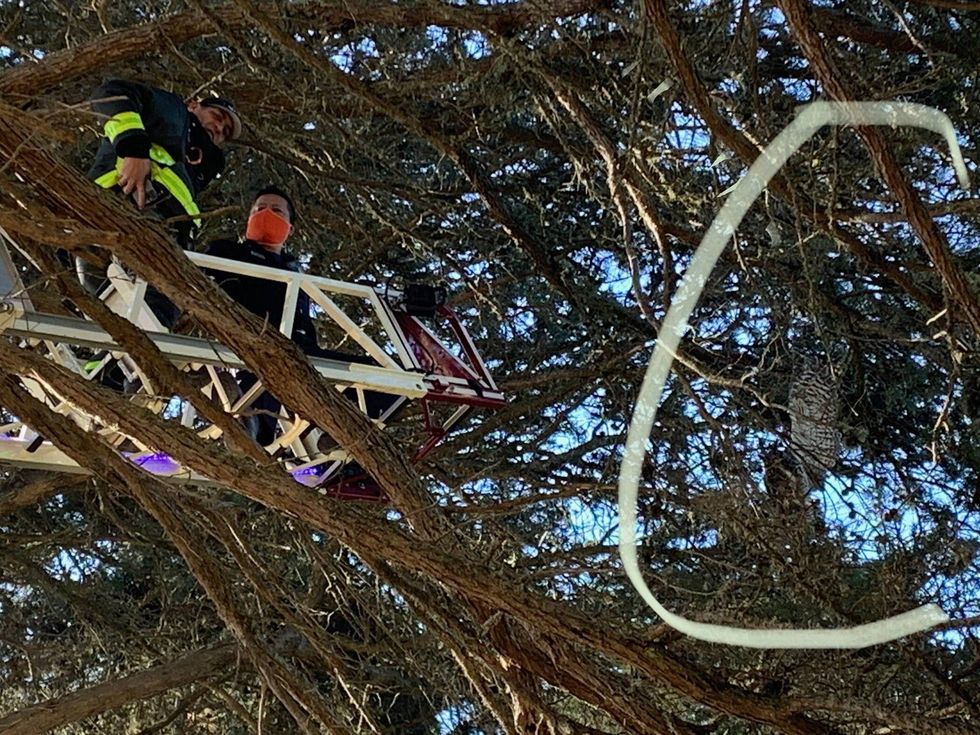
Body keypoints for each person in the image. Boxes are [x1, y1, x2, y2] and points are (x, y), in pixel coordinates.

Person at [203, 186, 396, 447]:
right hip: (251, 342)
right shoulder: (227, 252)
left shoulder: (296, 274)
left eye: (276, 210)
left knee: (386, 380)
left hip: (301, 353)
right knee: (258, 423)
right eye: (259, 209)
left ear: (289, 228)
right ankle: (251, 431)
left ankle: (345, 440)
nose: (265, 214)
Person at [82, 79, 242, 326]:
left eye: (226, 131)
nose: (220, 127)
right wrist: (134, 150)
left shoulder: (196, 165)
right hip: (131, 205)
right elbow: (112, 93)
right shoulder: (175, 113)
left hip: (153, 225)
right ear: (193, 106)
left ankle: (105, 364)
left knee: (119, 321)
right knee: (158, 305)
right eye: (217, 115)